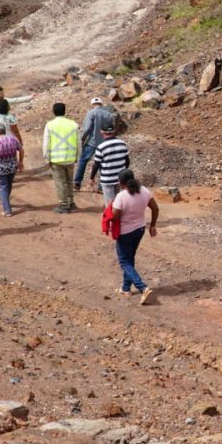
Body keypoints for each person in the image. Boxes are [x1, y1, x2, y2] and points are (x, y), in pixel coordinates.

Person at [111, 169, 158, 304]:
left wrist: (111, 207)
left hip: (125, 232)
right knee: (129, 258)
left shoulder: (121, 196)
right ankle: (125, 288)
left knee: (124, 261)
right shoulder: (144, 191)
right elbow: (155, 208)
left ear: (121, 183)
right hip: (140, 230)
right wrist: (153, 225)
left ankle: (142, 287)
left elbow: (115, 217)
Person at [42, 102, 79, 213]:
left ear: (54, 112)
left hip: (56, 159)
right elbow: (78, 142)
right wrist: (77, 155)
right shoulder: (73, 124)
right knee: (69, 181)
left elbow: (46, 143)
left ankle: (64, 205)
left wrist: (46, 157)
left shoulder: (50, 125)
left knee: (60, 182)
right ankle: (71, 201)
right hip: (70, 157)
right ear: (65, 110)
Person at [75, 97, 113, 191]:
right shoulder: (109, 114)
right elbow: (112, 129)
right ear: (101, 104)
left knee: (83, 161)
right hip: (105, 143)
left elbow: (87, 129)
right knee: (102, 164)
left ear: (92, 104)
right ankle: (101, 187)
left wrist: (82, 140)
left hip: (92, 142)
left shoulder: (91, 113)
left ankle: (77, 183)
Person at [91, 120, 129, 206]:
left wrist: (91, 178)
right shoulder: (122, 144)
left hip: (107, 180)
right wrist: (123, 172)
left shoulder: (101, 147)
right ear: (114, 131)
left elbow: (96, 165)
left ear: (101, 132)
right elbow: (127, 161)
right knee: (120, 204)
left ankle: (112, 220)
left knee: (110, 206)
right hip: (121, 179)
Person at [0, 122, 23, 217]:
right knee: (9, 184)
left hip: (1, 168)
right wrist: (20, 162)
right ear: (4, 130)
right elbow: (21, 150)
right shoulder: (13, 139)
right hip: (13, 167)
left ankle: (7, 210)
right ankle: (5, 202)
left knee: (3, 187)